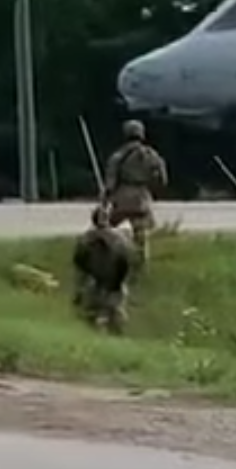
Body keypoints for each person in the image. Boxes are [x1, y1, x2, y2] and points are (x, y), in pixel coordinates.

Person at [101, 118, 169, 257]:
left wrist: (105, 199)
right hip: (141, 197)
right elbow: (162, 178)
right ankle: (140, 262)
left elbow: (110, 182)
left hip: (121, 197)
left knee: (105, 227)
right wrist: (154, 188)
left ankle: (108, 253)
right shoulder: (150, 155)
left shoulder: (118, 156)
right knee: (141, 235)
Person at [70, 202, 137, 333]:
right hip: (108, 282)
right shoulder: (118, 239)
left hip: (100, 281)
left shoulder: (86, 239)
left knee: (97, 311)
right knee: (111, 311)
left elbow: (79, 262)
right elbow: (126, 261)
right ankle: (112, 332)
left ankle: (101, 330)